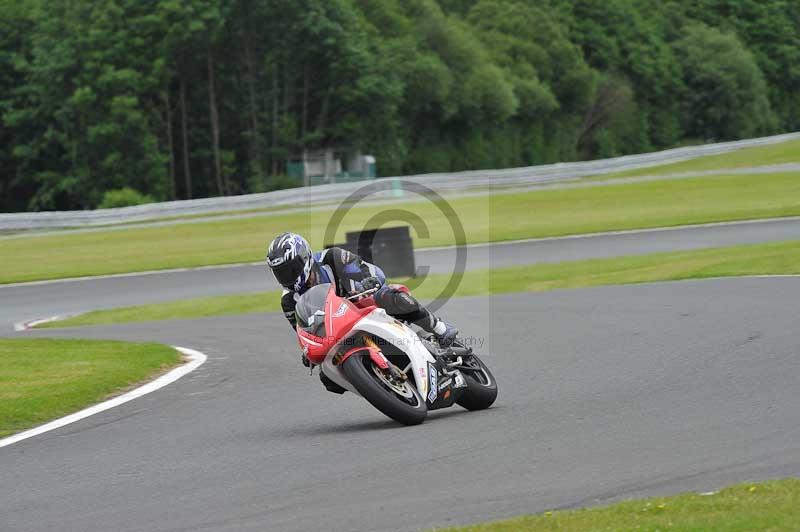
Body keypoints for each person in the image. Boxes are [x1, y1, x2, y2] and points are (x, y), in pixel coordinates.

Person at [266, 232, 458, 369]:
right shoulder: (289, 301)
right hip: (338, 329)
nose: (288, 277)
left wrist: (368, 281)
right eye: (281, 273)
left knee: (391, 297)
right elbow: (303, 331)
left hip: (361, 301)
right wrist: (308, 350)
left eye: (291, 269)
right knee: (328, 377)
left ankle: (440, 328)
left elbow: (363, 269)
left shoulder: (332, 258)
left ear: (305, 257)